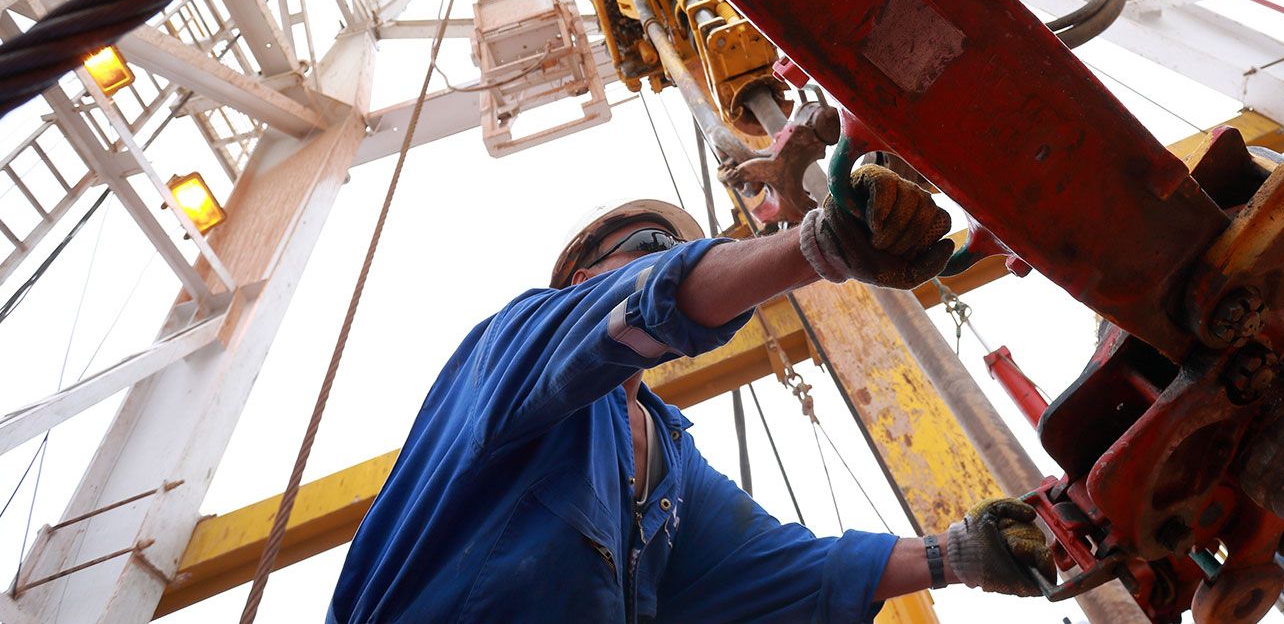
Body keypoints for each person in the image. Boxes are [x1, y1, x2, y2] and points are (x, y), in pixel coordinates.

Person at [328, 165, 1055, 623]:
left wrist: (955, 556)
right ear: (583, 276)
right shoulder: (513, 346)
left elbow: (785, 570)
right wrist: (820, 246)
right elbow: (646, 301)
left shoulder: (668, 458)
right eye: (653, 246)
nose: (672, 260)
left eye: (683, 248)